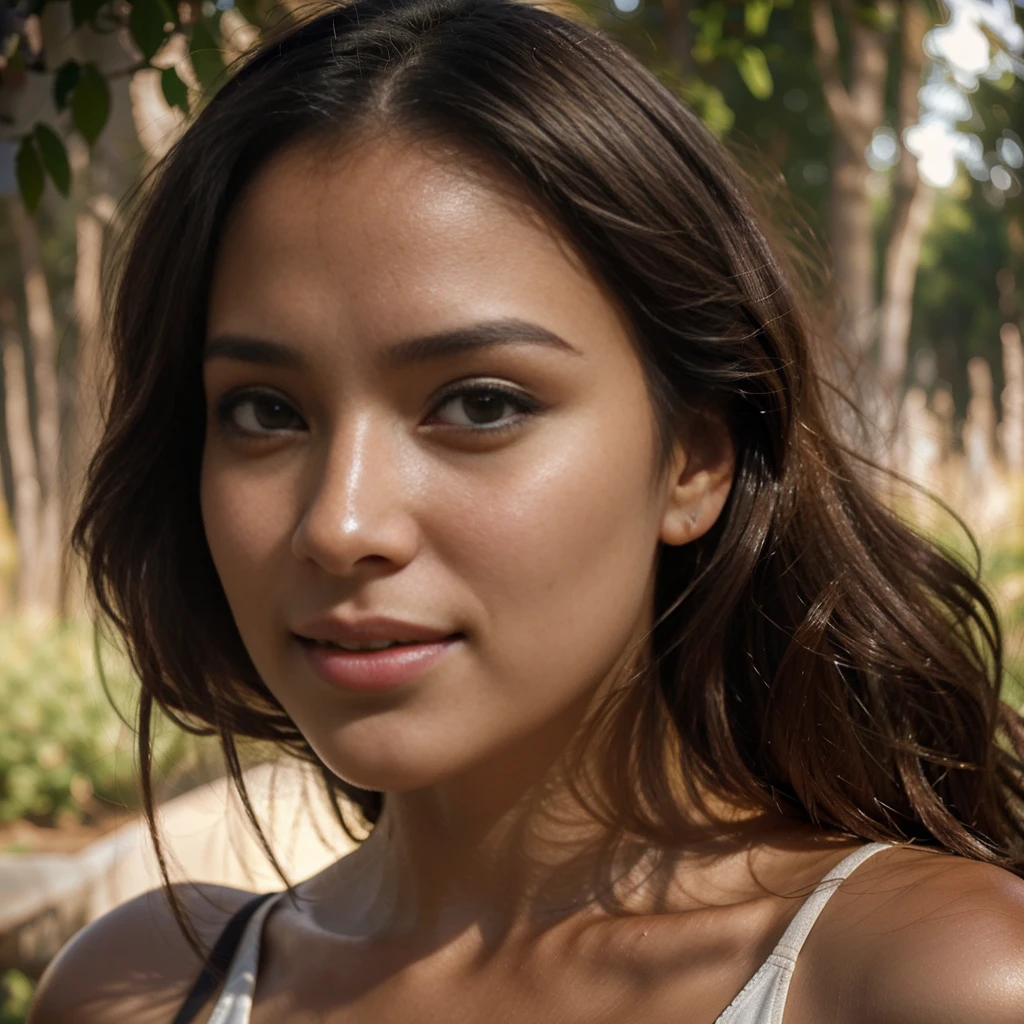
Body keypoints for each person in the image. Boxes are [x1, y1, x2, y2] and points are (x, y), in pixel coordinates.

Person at [28, 0, 1024, 1020]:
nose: (340, 522)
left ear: (694, 460)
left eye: (479, 404)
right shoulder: (138, 988)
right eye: (266, 412)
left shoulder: (926, 979)